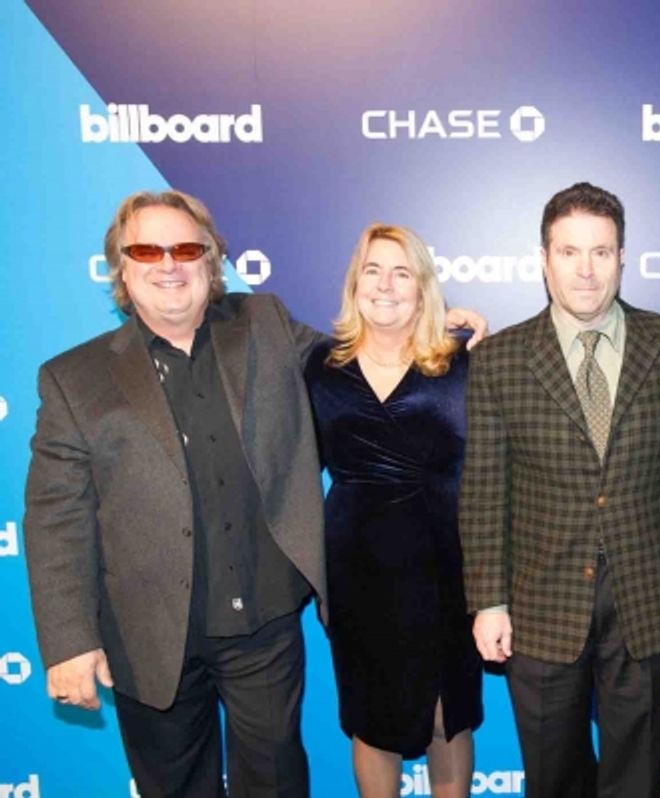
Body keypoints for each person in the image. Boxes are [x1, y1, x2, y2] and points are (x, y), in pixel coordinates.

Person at [22, 189, 484, 798]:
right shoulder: (73, 378)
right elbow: (56, 518)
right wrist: (71, 641)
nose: (168, 264)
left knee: (274, 786)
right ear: (121, 266)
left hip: (263, 629)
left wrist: (441, 327)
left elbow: (359, 359)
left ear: (211, 261)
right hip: (149, 635)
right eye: (147, 249)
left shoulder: (263, 323)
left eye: (186, 248)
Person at [459, 182, 660, 798]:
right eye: (569, 252)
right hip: (539, 596)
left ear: (623, 257)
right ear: (544, 259)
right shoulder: (500, 359)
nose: (586, 270)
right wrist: (488, 600)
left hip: (645, 591)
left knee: (638, 767)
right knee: (552, 768)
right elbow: (484, 488)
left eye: (601, 251)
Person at [304, 224, 481, 798]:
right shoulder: (317, 368)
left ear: (423, 287)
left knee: (444, 714)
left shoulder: (463, 362)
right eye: (373, 271)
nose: (385, 285)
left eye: (402, 272)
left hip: (445, 563)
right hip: (356, 568)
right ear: (355, 284)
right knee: (371, 717)